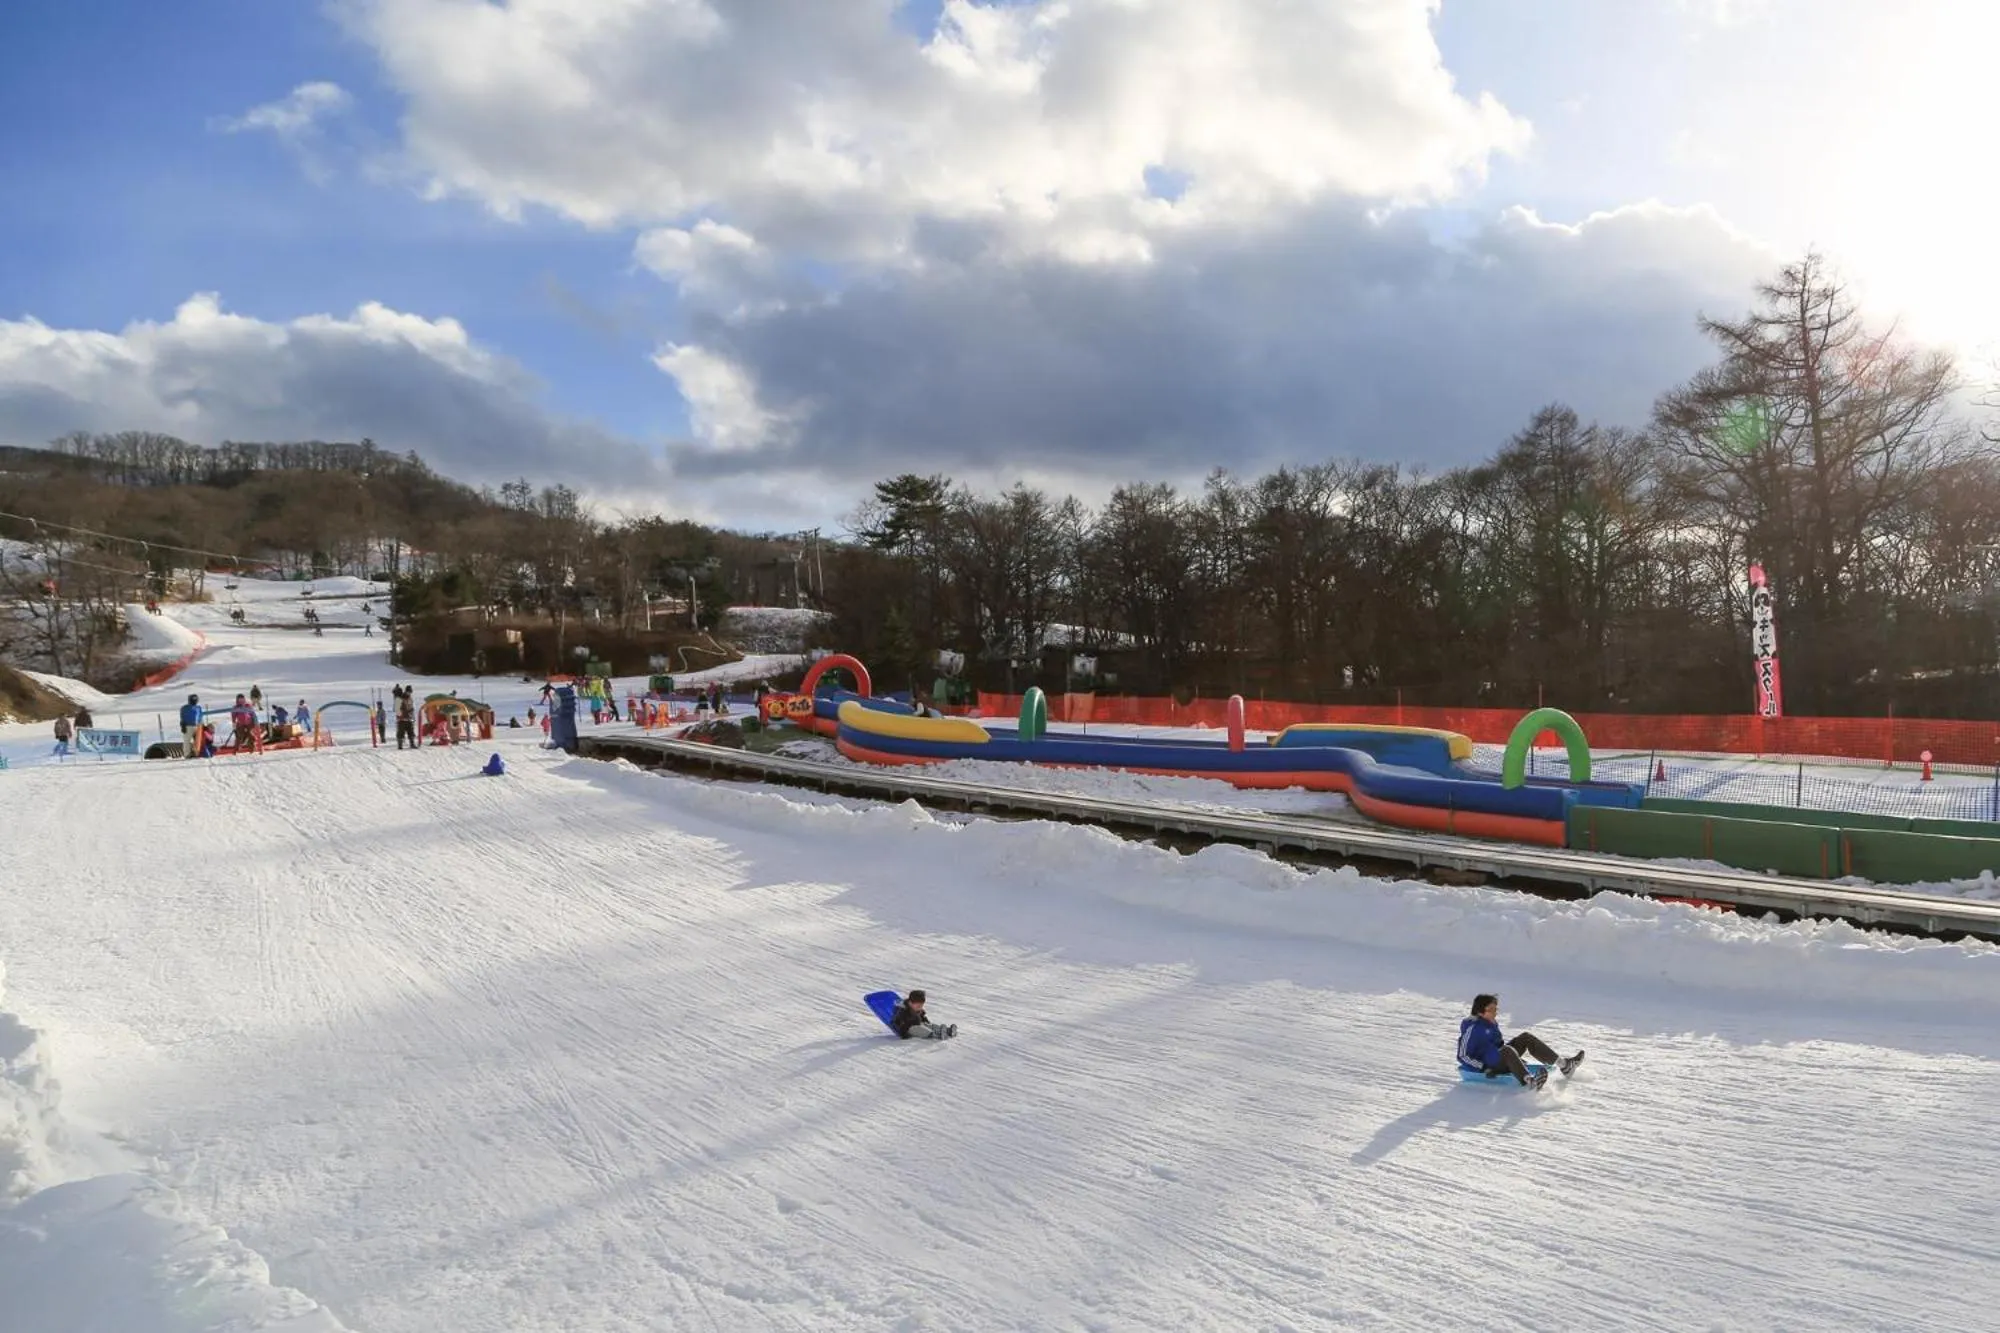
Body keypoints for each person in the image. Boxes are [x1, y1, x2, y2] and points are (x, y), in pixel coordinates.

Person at [1458, 994, 1582, 1089]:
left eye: (1496, 1009)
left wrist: (1514, 1059)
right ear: (1480, 1012)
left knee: (1525, 1037)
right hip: (1488, 1067)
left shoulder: (1491, 1023)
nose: (1495, 1012)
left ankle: (1564, 1065)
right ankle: (1529, 1081)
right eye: (1491, 1010)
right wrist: (1483, 1068)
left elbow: (1498, 1045)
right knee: (1507, 1050)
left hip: (1497, 1059)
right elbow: (1462, 1055)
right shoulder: (1473, 1028)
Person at [889, 989, 956, 1041]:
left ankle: (947, 1031)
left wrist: (925, 1021)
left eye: (921, 1005)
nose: (920, 1007)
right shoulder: (903, 1012)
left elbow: (922, 1016)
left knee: (928, 1025)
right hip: (908, 1029)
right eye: (918, 1006)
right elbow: (902, 1026)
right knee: (919, 1028)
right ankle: (936, 1035)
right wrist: (904, 1036)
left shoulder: (916, 1008)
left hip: (917, 1024)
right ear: (910, 1003)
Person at [180, 694, 204, 758]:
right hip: (190, 726)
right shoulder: (186, 708)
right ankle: (188, 754)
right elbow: (182, 717)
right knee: (188, 741)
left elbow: (200, 716)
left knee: (194, 741)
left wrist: (201, 724)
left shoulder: (197, 708)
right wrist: (182, 725)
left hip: (195, 726)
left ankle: (194, 753)